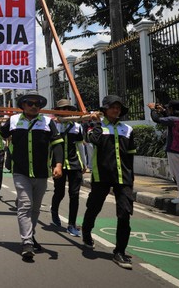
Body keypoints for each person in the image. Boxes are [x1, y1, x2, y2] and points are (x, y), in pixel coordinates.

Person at [0, 90, 63, 259]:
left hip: (41, 172)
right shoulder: (13, 121)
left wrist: (58, 164)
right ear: (23, 105)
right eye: (30, 103)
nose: (34, 106)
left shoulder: (48, 122)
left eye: (37, 104)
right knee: (25, 205)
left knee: (35, 208)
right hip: (21, 171)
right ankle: (26, 242)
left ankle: (30, 236)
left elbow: (56, 144)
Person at [81, 95, 136, 270]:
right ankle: (86, 230)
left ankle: (119, 251)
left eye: (118, 107)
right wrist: (97, 123)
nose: (116, 110)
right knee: (94, 207)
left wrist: (131, 177)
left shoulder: (127, 129)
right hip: (102, 176)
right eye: (112, 107)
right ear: (104, 110)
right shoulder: (96, 128)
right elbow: (94, 141)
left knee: (125, 213)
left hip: (123, 177)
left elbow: (131, 154)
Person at [50, 99, 86, 237]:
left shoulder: (77, 127)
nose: (66, 111)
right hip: (58, 165)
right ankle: (54, 210)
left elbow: (80, 146)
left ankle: (71, 224)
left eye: (68, 109)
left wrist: (84, 163)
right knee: (59, 192)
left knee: (74, 194)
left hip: (74, 164)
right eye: (63, 109)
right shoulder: (53, 125)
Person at [149, 100, 179, 204]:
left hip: (174, 150)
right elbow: (169, 118)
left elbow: (156, 119)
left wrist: (152, 109)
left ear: (172, 109)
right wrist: (163, 111)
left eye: (169, 108)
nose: (167, 110)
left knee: (177, 174)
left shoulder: (172, 120)